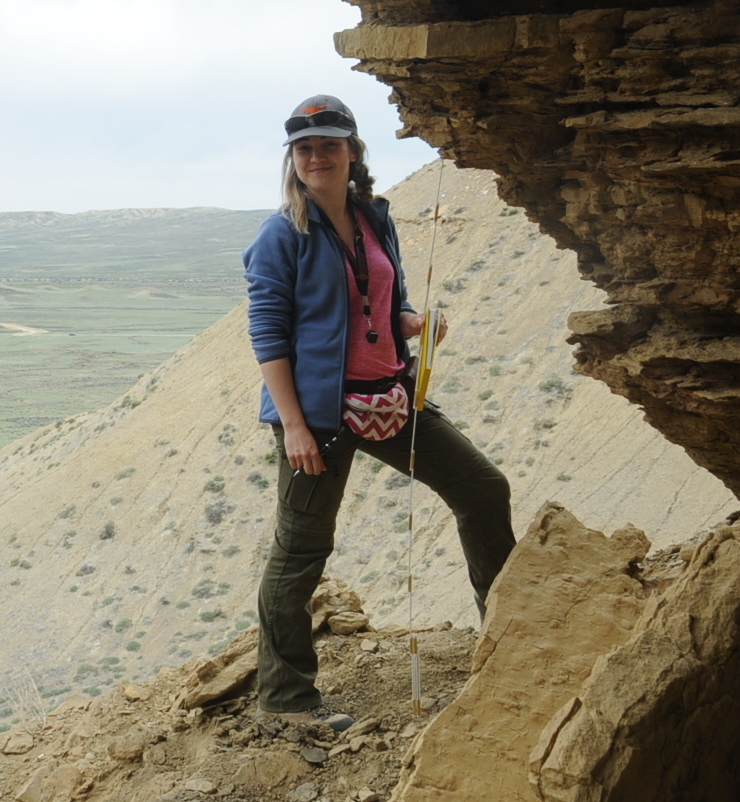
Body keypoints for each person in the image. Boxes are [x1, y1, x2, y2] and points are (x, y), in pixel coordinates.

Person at [243, 95, 516, 731]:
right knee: (300, 550)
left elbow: (381, 301)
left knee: (482, 488)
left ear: (353, 153)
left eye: (329, 144)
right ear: (293, 159)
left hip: (390, 395)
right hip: (319, 415)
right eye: (304, 147)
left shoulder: (372, 218)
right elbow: (268, 335)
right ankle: (284, 701)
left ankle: (508, 634)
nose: (316, 156)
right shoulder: (282, 234)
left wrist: (413, 322)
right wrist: (292, 426)